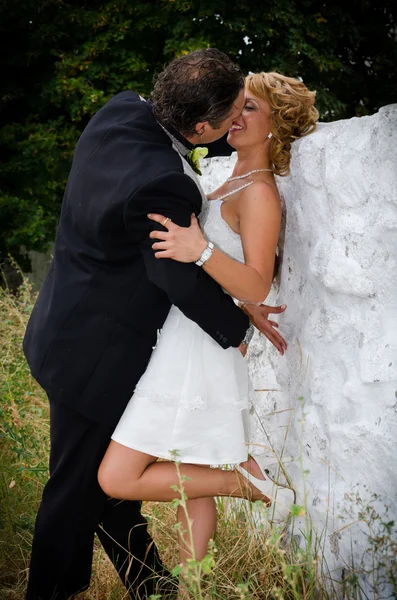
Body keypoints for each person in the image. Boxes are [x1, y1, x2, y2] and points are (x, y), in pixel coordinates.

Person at [22, 49, 288, 600]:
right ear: (199, 127)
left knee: (105, 487)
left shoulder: (119, 112)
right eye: (232, 110)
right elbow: (174, 278)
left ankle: (152, 588)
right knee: (76, 489)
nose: (237, 120)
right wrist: (236, 328)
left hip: (60, 327)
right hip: (96, 356)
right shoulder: (166, 183)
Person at [98, 72, 319, 578]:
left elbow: (258, 283)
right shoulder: (227, 181)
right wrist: (237, 303)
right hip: (188, 338)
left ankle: (247, 482)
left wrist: (201, 250)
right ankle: (194, 583)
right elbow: (236, 290)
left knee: (116, 476)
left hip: (197, 351)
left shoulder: (260, 193)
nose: (235, 117)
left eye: (250, 110)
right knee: (188, 474)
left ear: (274, 128)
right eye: (235, 107)